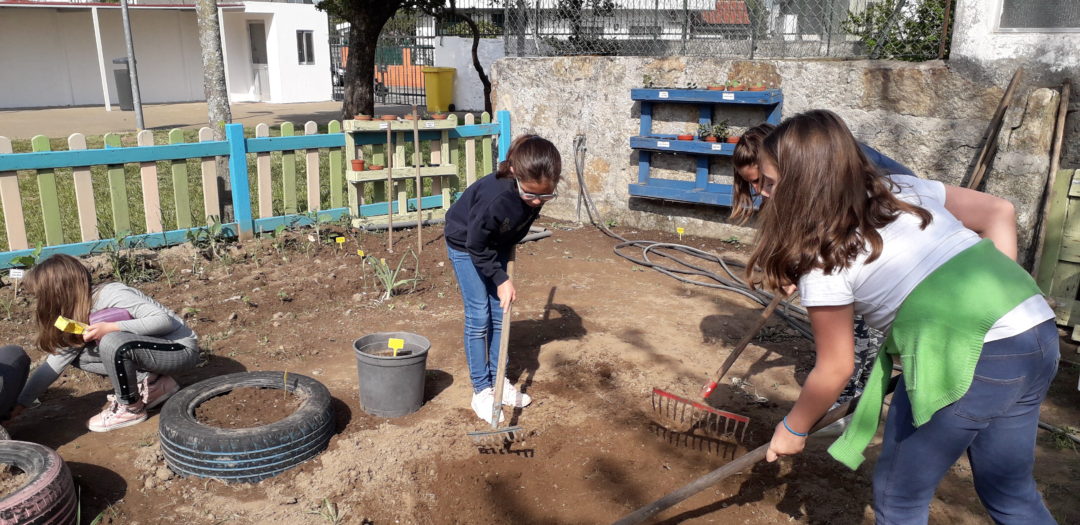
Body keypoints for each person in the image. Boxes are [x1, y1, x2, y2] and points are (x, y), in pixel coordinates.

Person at [748, 110, 1057, 524]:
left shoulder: (825, 260)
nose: (763, 194)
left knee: (899, 501)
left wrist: (793, 428)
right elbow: (998, 210)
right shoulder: (902, 189)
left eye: (769, 183)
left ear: (801, 183)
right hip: (1034, 327)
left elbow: (835, 367)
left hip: (963, 356)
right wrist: (993, 310)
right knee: (1009, 490)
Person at [731, 123, 915, 407]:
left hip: (884, 226)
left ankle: (847, 399)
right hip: (855, 231)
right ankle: (850, 392)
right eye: (752, 184)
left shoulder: (833, 165)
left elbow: (829, 233)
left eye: (761, 181)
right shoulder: (795, 175)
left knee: (854, 319)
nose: (759, 191)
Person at [444, 135, 562, 424]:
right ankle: (481, 390)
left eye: (545, 196)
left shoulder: (536, 190)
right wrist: (500, 278)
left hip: (496, 242)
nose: (537, 202)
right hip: (466, 244)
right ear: (514, 173)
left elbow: (519, 219)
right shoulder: (494, 198)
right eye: (530, 195)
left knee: (501, 312)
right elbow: (475, 244)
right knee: (479, 315)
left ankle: (500, 381)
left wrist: (508, 245)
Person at [13, 254, 200, 432]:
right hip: (147, 351)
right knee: (79, 354)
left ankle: (130, 408)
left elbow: (163, 321)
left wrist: (112, 327)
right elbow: (56, 361)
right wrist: (21, 402)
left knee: (111, 341)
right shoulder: (75, 311)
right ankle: (154, 383)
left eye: (40, 296)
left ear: (57, 293)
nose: (39, 302)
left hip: (178, 348)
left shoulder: (111, 294)